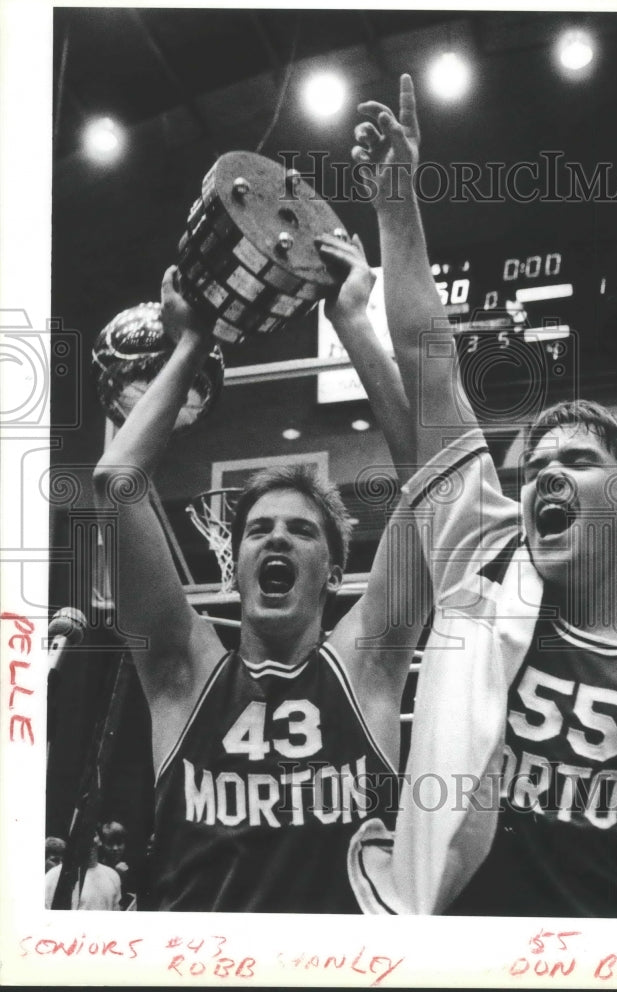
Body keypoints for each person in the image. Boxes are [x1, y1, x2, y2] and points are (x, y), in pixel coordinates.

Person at [346, 75, 617, 919]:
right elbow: (427, 356)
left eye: (575, 461)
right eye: (533, 467)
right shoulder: (484, 564)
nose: (543, 476)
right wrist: (396, 204)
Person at [93, 234, 427, 912]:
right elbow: (115, 483)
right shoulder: (184, 670)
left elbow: (436, 476)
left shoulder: (366, 665)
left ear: (334, 573)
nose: (277, 538)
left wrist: (353, 323)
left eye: (301, 531)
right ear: (234, 564)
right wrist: (191, 343)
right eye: (258, 531)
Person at [46, 832, 122, 911]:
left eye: (93, 835)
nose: (89, 840)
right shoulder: (54, 876)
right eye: (83, 835)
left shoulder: (112, 875)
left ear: (100, 841)